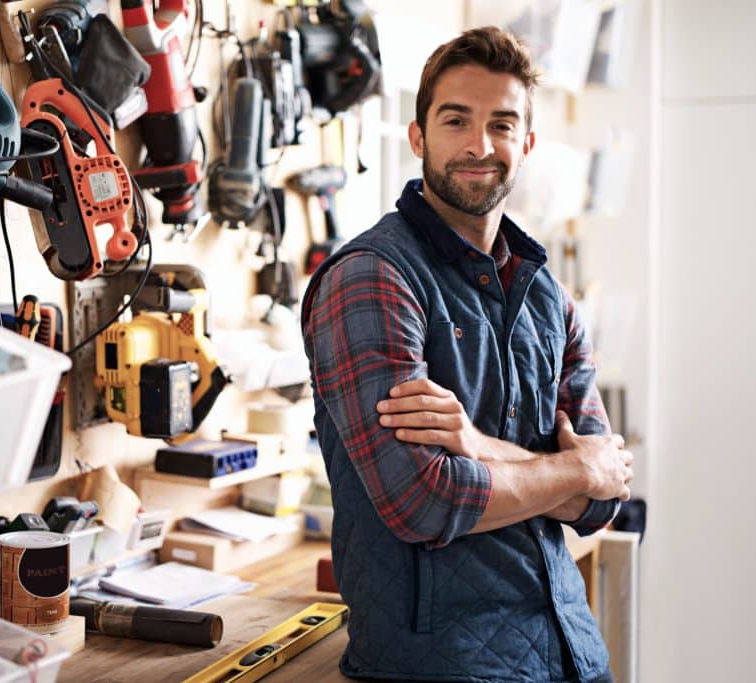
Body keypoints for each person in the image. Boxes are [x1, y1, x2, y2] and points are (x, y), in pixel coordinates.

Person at [300, 26, 632, 683]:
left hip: (573, 653)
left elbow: (605, 500)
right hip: (437, 665)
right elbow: (423, 500)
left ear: (527, 143)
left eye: (502, 124)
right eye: (457, 120)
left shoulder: (548, 297)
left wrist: (477, 445)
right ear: (418, 135)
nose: (480, 144)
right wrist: (575, 469)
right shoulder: (371, 278)